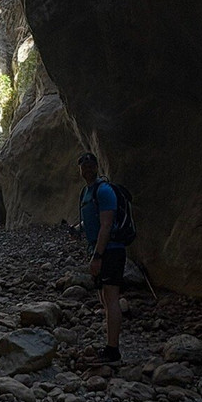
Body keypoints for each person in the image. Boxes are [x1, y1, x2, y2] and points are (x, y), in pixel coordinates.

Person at [76, 152, 125, 364]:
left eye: (90, 165)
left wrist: (98, 256)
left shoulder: (103, 190)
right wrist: (77, 229)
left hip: (110, 250)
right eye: (83, 166)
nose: (87, 169)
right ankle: (110, 345)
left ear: (96, 167)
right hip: (100, 249)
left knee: (111, 299)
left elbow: (106, 225)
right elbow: (93, 222)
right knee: (105, 299)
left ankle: (113, 351)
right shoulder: (87, 192)